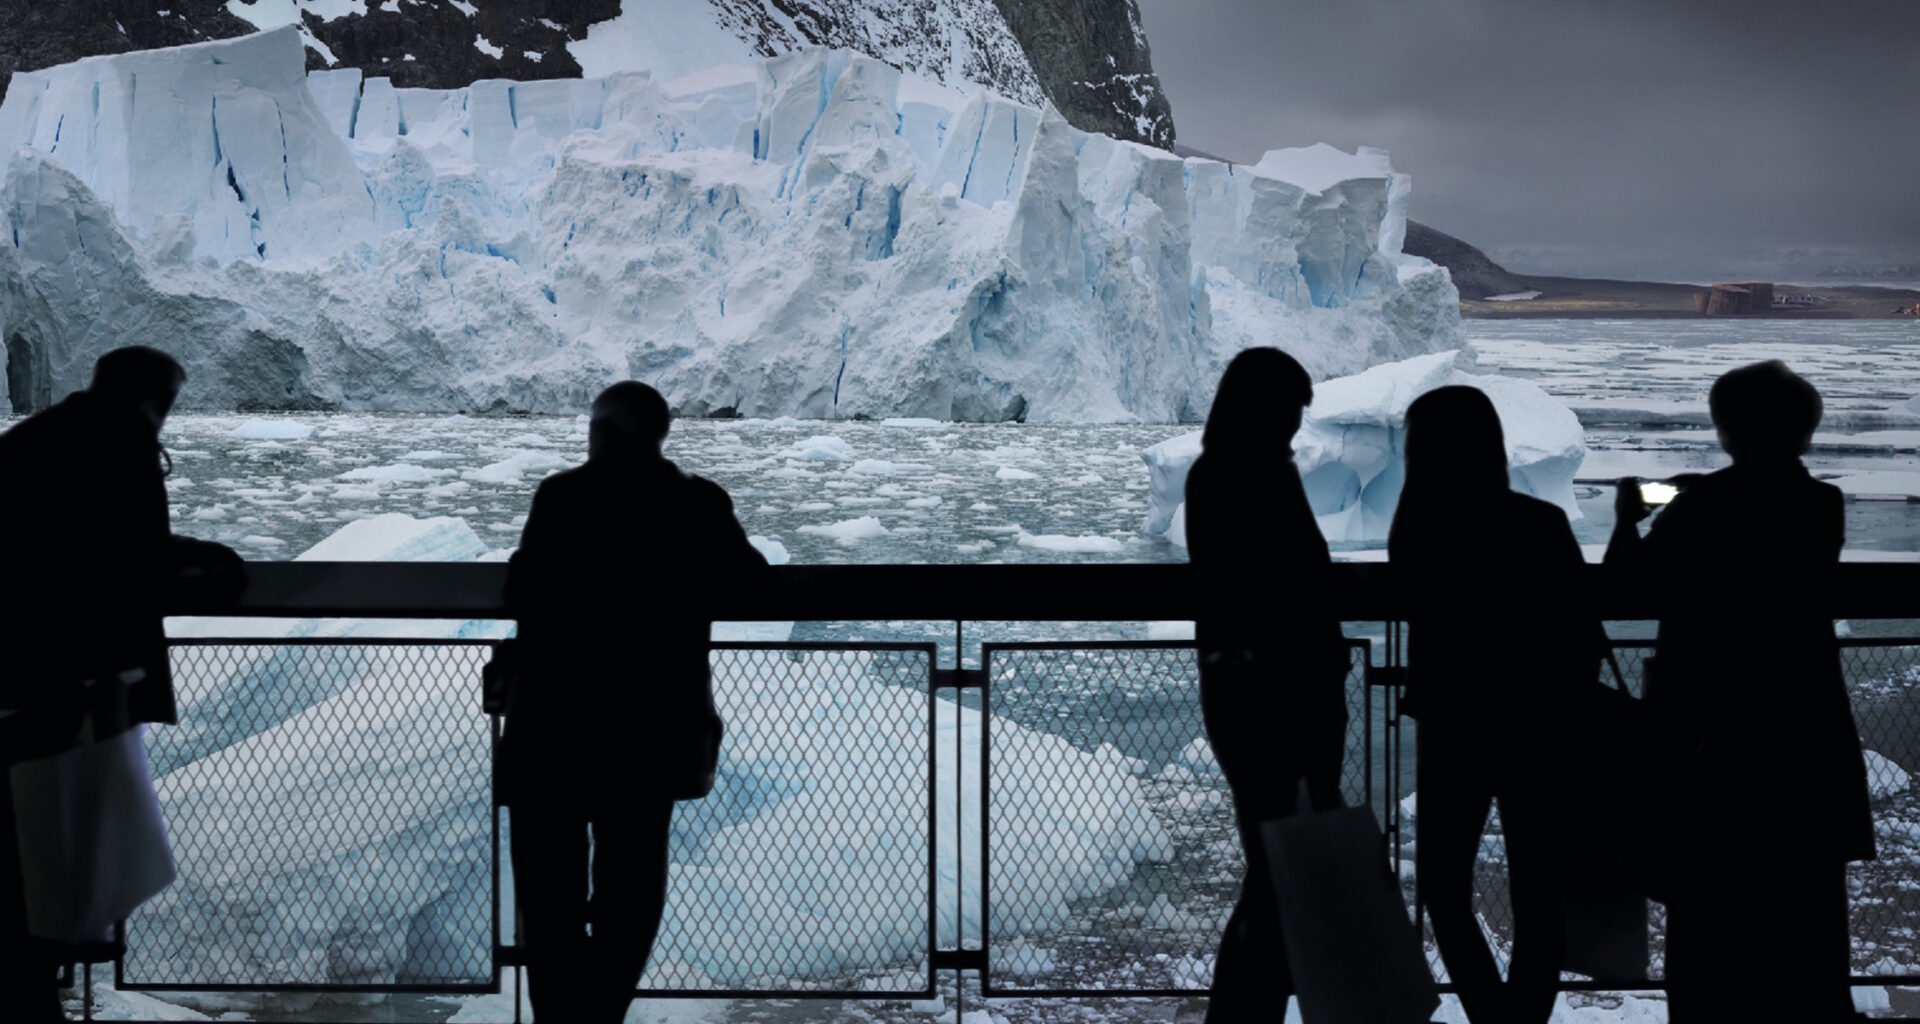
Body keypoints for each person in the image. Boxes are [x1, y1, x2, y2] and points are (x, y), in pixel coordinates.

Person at [1607, 360, 1872, 1023]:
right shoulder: (1823, 505)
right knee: (1808, 912)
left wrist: (1629, 518)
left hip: (1710, 741)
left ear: (1728, 428)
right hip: (1805, 734)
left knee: (1707, 917)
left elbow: (1625, 587)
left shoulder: (1701, 507)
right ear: (1804, 431)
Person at [500, 381, 769, 1024]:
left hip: (554, 732)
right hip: (651, 736)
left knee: (548, 892)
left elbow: (520, 592)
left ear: (599, 434)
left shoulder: (561, 497)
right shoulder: (697, 503)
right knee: (632, 889)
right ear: (659, 435)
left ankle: (561, 1019)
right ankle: (601, 1014)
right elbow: (752, 586)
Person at [0, 346, 243, 1024]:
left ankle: (28, 986)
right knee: (60, 855)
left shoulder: (34, 438)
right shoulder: (123, 444)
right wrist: (204, 561)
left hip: (18, 681)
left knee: (25, 854)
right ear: (152, 398)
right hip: (71, 688)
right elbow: (133, 559)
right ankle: (34, 991)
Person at [1388, 385, 1595, 1024]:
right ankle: (1523, 1020)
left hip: (1454, 726)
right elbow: (1581, 632)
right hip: (1539, 728)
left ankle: (1489, 1015)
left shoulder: (1420, 530)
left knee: (1443, 887)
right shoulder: (1542, 523)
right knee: (1539, 890)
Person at [1185, 348, 1351, 1022]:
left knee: (1275, 867)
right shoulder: (1249, 475)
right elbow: (1283, 588)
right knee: (1281, 870)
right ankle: (1244, 1012)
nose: (1293, 424)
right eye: (1288, 410)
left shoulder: (1223, 473)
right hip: (1280, 703)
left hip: (1255, 696)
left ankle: (1245, 1012)